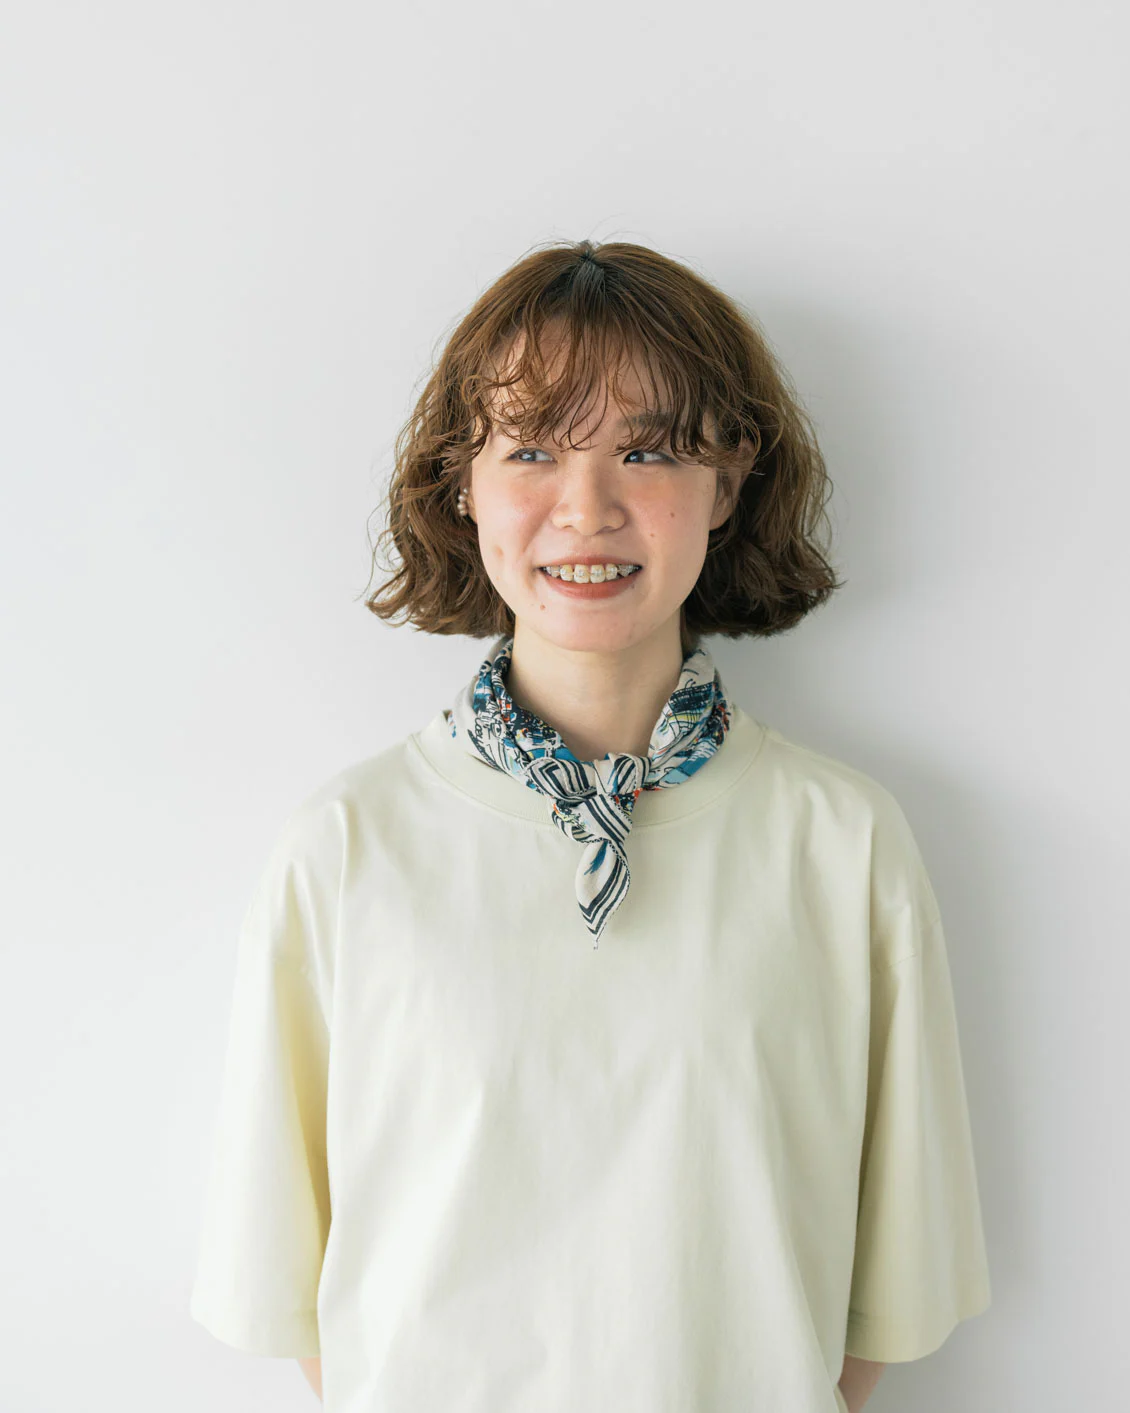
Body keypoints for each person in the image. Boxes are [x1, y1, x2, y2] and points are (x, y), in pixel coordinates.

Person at [188, 238, 991, 1412]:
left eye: (647, 450)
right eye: (530, 449)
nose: (586, 508)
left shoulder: (843, 845)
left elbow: (889, 1293)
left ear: (727, 485)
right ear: (460, 485)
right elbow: (296, 1295)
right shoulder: (346, 848)